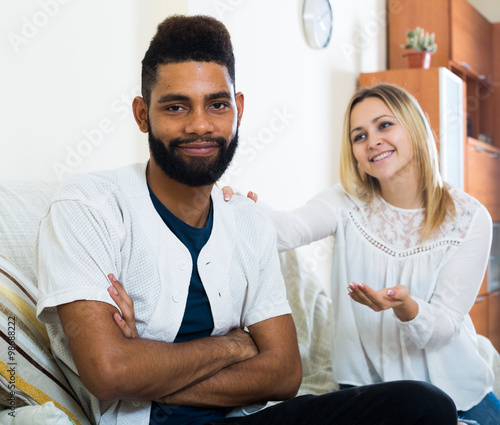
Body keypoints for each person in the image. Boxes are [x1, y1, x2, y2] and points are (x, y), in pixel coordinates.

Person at [36, 15, 458, 425]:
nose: (200, 125)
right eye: (176, 107)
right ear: (142, 114)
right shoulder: (88, 205)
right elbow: (110, 373)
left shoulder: (248, 221)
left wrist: (145, 364)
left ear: (237, 109)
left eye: (217, 105)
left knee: (424, 403)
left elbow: (285, 373)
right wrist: (235, 346)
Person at [224, 83, 500, 425]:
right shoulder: (344, 203)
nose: (372, 141)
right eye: (359, 136)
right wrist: (241, 206)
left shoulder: (469, 218)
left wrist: (406, 307)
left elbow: (444, 326)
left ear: (414, 126)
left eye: (384, 125)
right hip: (374, 399)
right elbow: (288, 229)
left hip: (460, 392)